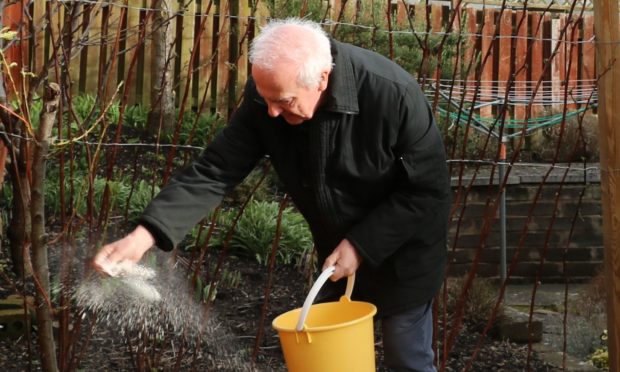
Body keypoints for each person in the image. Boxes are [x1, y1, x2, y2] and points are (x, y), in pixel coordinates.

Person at [94, 18, 451, 371]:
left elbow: (426, 191)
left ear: (321, 79)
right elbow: (216, 168)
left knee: (406, 357)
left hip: (406, 251)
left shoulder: (392, 94)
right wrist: (145, 236)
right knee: (326, 362)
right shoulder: (268, 99)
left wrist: (361, 245)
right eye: (265, 99)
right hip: (338, 254)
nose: (272, 112)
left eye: (283, 100)